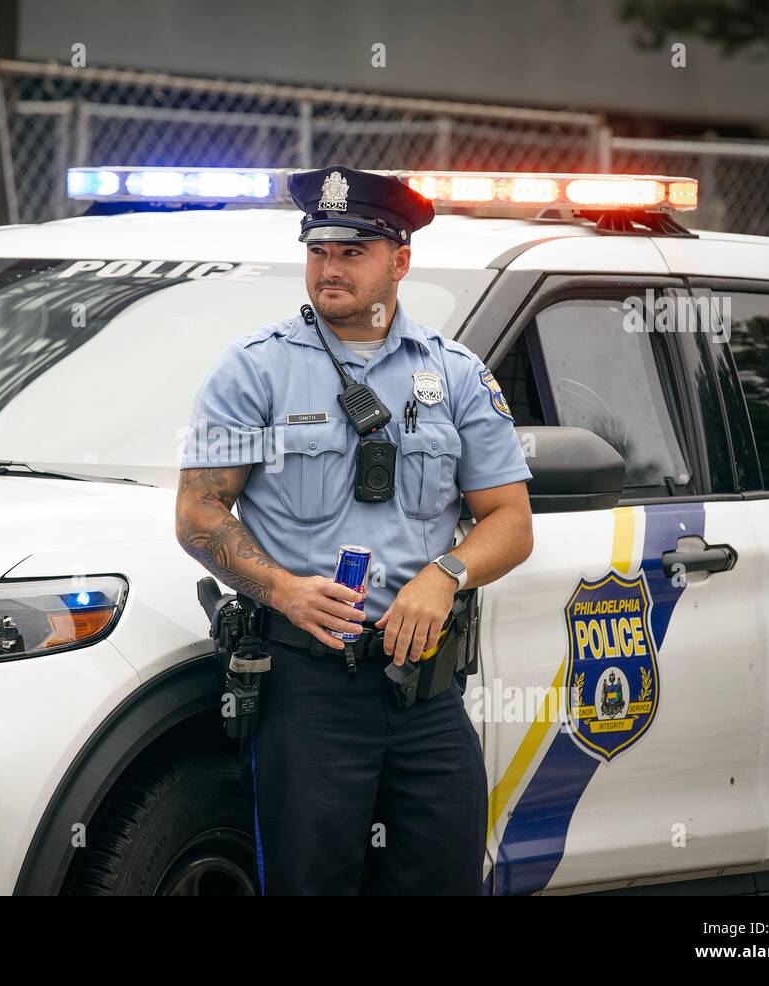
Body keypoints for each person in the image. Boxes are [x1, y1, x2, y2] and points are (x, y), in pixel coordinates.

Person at [174, 164, 534, 895]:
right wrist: (283, 592)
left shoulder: (455, 374)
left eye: (352, 251)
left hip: (426, 694)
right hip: (308, 691)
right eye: (319, 251)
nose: (329, 269)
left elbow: (511, 520)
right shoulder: (256, 370)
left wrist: (446, 574)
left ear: (399, 261)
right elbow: (199, 513)